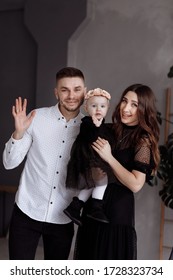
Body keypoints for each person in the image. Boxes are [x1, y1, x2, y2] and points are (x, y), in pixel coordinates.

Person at [2, 67, 87, 260]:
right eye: (64, 90)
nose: (71, 95)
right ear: (56, 92)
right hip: (26, 212)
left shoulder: (89, 128)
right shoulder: (36, 118)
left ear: (85, 91)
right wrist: (19, 133)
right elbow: (9, 163)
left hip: (62, 217)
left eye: (77, 89)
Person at [74, 83, 160, 260]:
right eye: (124, 101)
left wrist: (109, 157)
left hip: (116, 216)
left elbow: (136, 184)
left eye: (134, 105)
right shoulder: (108, 129)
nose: (126, 108)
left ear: (144, 110)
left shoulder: (142, 141)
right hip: (92, 211)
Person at [64, 88, 114, 226]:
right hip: (86, 158)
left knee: (91, 184)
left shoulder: (103, 125)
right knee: (102, 181)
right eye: (94, 106)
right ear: (86, 108)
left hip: (93, 160)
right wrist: (96, 126)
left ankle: (75, 206)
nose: (98, 109)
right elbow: (92, 138)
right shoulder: (87, 122)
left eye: (102, 106)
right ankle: (96, 208)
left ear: (107, 108)